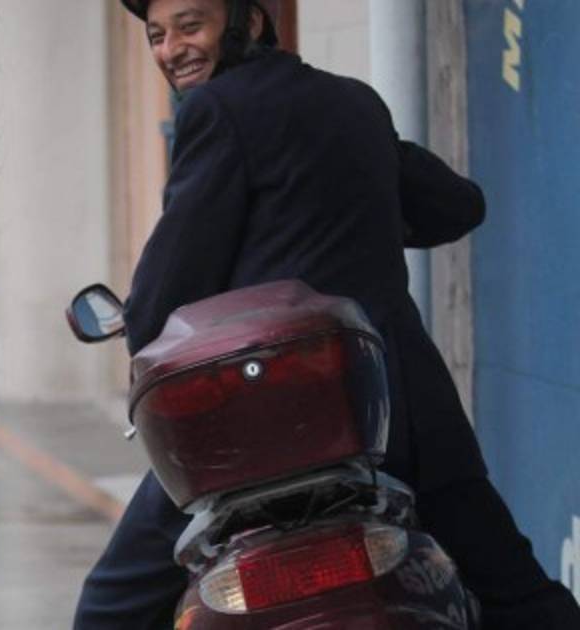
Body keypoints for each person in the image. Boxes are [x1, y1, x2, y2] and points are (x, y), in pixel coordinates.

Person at [73, 0, 580, 628]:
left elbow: (166, 286)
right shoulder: (355, 102)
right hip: (398, 408)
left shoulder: (214, 110)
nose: (171, 48)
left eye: (190, 25)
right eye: (157, 34)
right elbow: (458, 207)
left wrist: (146, 336)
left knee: (114, 602)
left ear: (249, 22)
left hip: (262, 425)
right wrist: (363, 210)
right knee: (514, 589)